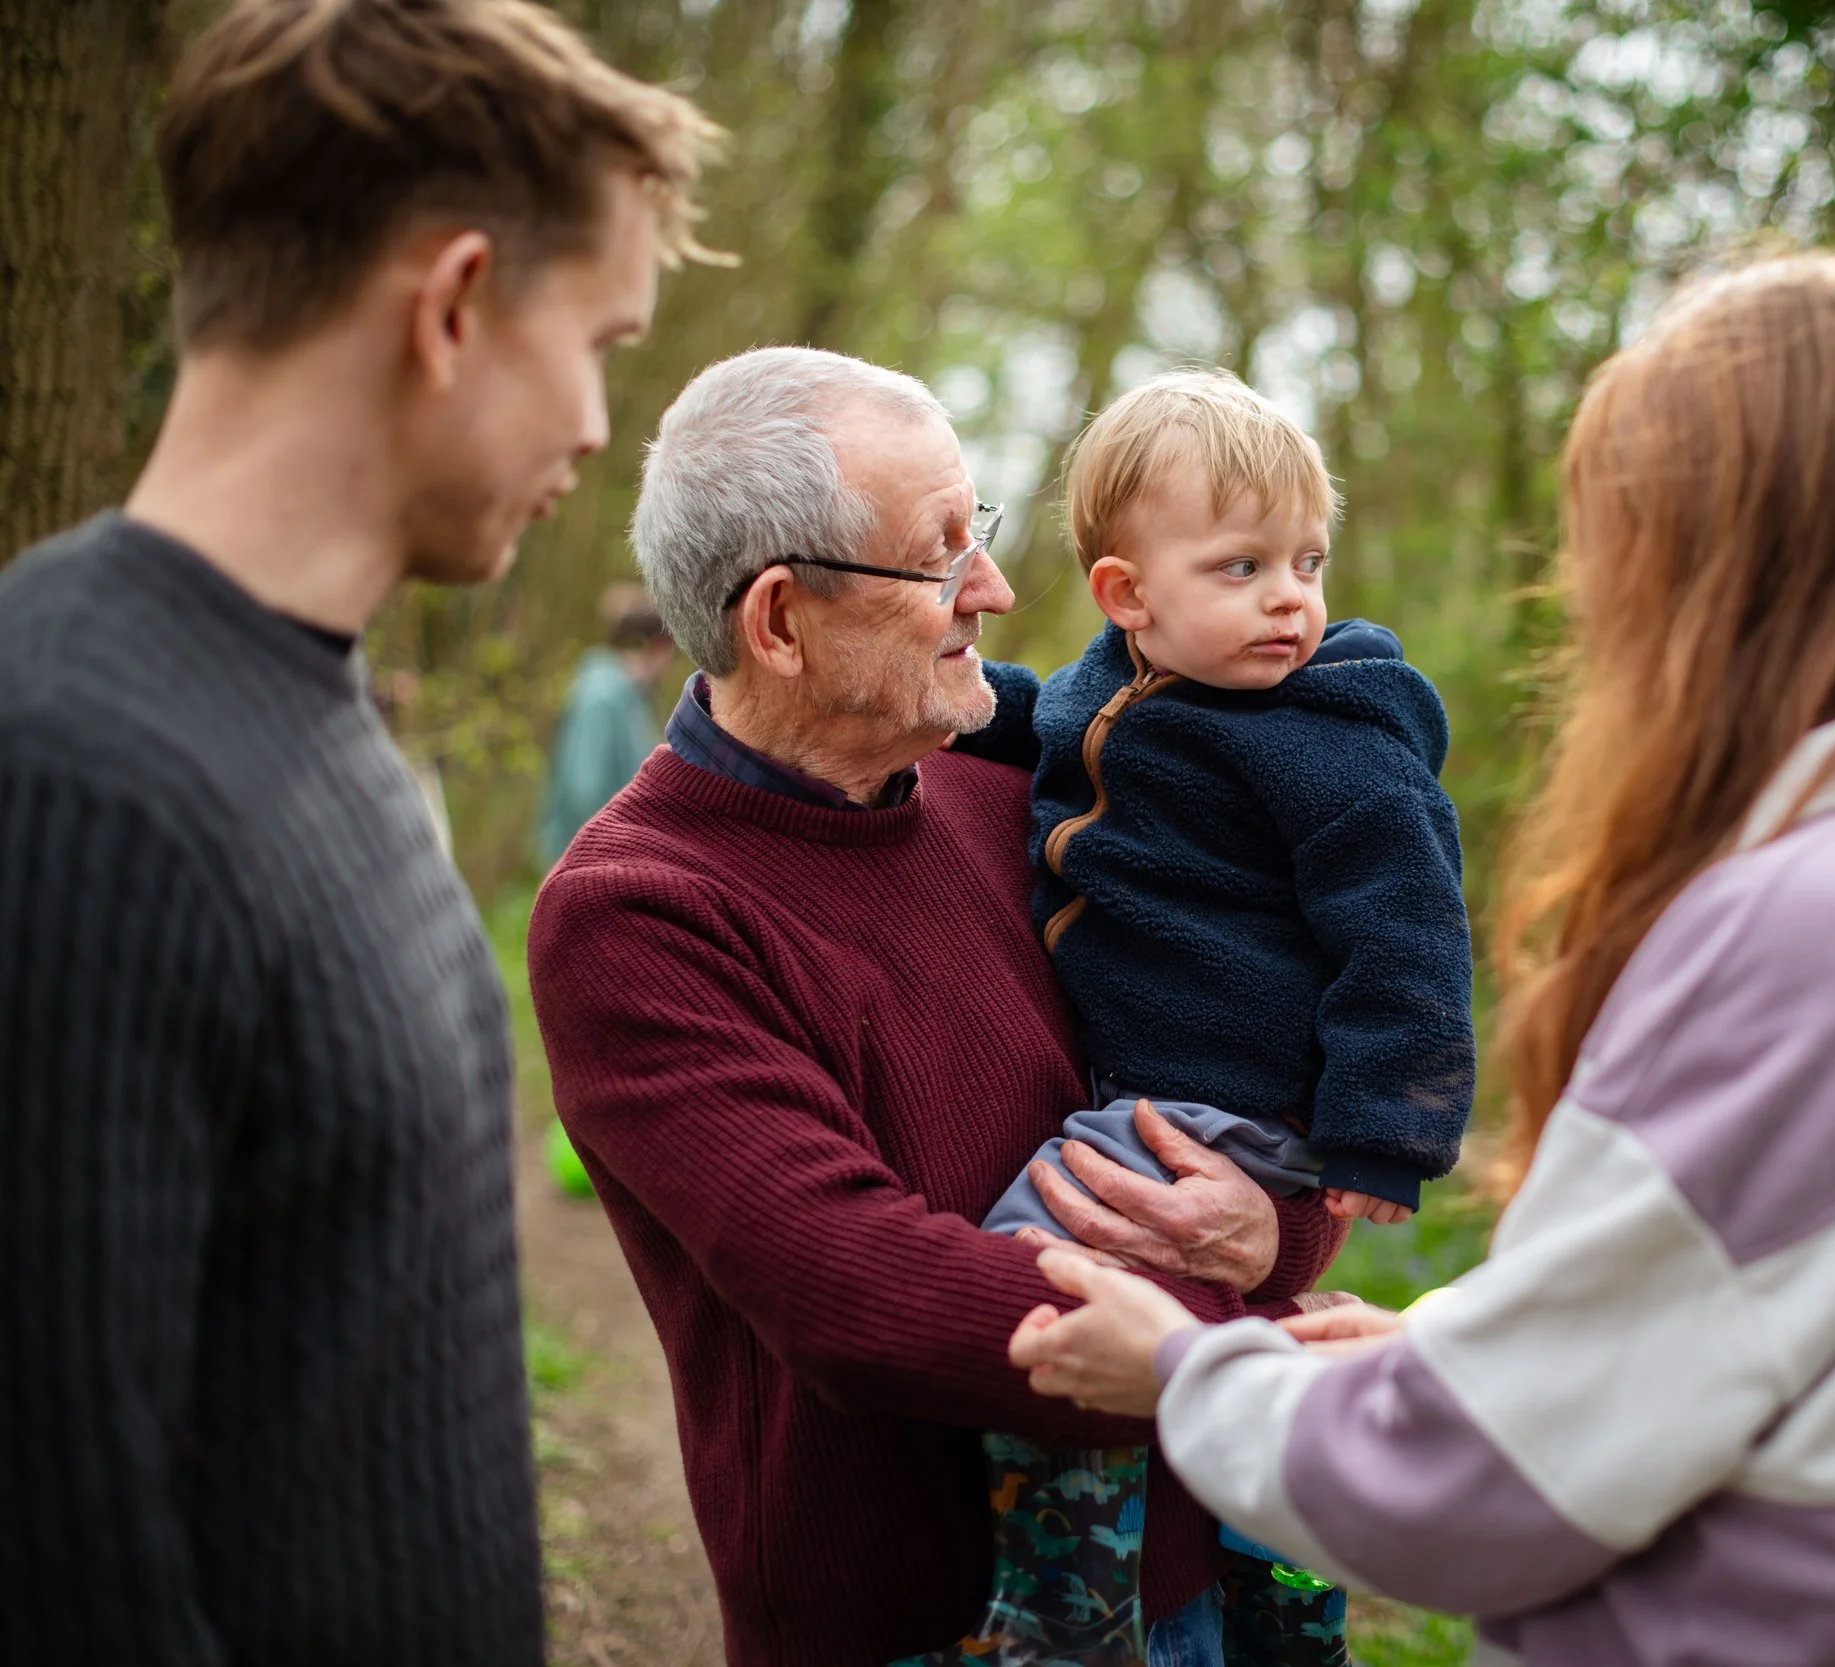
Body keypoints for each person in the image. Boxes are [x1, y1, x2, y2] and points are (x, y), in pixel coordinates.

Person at [1005, 254, 1835, 1667]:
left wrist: (1182, 1368)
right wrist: (1458, 1333)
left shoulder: (1810, 931)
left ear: (1709, 570)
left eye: (1609, 546)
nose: (1591, 604)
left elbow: (1485, 1488)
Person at [0, 2, 715, 1662]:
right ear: (456, 304)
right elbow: (60, 1563)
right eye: (601, 344)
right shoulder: (72, 778)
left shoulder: (311, 717)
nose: (601, 430)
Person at [525, 346, 1349, 1667]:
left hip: (1204, 1552)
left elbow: (1230, 1064)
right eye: (939, 551)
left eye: (985, 531)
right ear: (781, 621)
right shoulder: (637, 911)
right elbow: (857, 1288)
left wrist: (1278, 1226)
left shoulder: (1019, 797)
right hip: (931, 1618)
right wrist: (1241, 1354)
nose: (998, 588)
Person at [962, 368, 1475, 1659]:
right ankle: (1284, 1594)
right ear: (1128, 598)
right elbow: (1051, 731)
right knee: (1248, 1332)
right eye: (1242, 565)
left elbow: (1408, 933)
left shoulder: (1332, 739)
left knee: (1044, 1262)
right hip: (1163, 1077)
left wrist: (1384, 1133)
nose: (1292, 595)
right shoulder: (1117, 685)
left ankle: (1060, 1604)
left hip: (1227, 1093)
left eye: (1307, 558)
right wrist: (969, 708)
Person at [535, 581, 675, 863]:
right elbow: (587, 792)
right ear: (657, 648)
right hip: (589, 861)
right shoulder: (602, 698)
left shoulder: (631, 696)